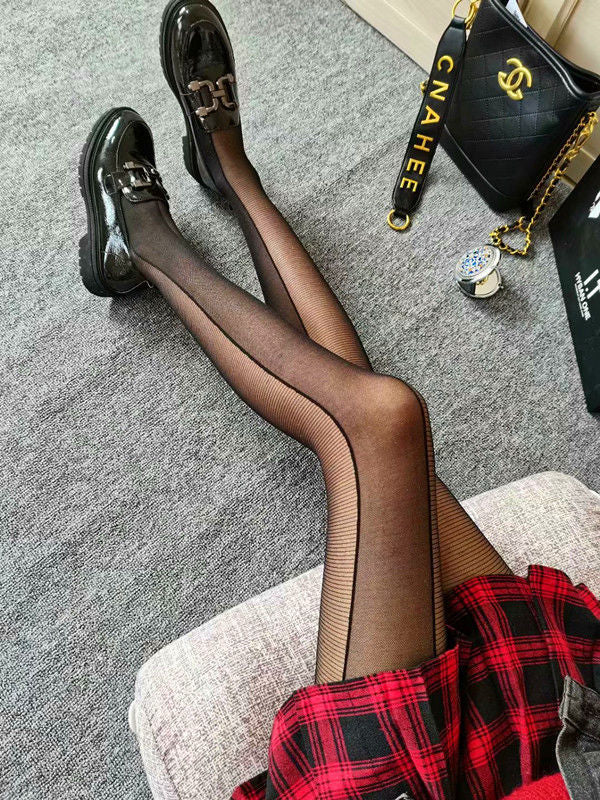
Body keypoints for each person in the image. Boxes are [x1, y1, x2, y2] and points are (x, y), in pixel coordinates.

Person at [79, 2, 600, 798]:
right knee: (386, 442)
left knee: (382, 421)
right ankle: (229, 172)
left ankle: (146, 239)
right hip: (565, 729)